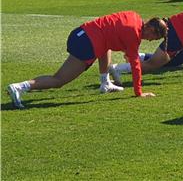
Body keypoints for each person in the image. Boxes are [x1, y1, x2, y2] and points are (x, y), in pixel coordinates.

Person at [6, 12, 167, 109]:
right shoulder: (133, 35)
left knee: (106, 45)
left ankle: (105, 83)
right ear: (150, 29)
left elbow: (113, 35)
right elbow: (136, 65)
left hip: (81, 33)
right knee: (59, 80)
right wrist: (139, 92)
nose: (152, 41)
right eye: (155, 37)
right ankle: (20, 87)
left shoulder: (134, 17)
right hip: (86, 44)